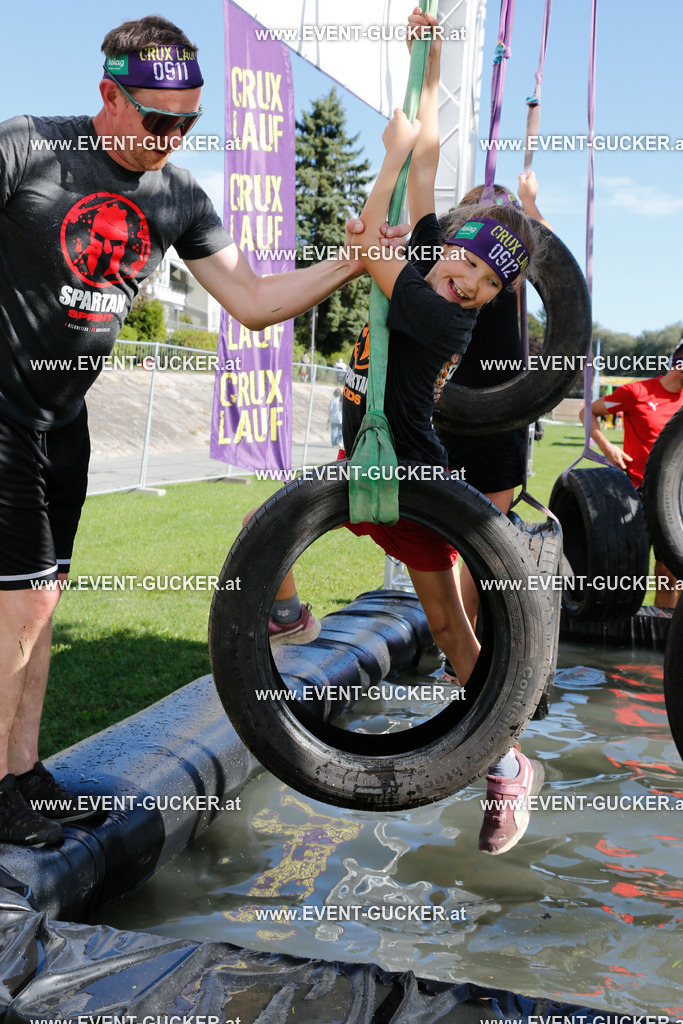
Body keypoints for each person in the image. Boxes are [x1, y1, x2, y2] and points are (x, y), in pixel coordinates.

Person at [0, 14, 410, 847]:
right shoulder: (27, 147)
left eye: (188, 123)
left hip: (62, 424)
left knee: (41, 607)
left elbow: (254, 304)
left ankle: (21, 775)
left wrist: (353, 260)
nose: (172, 138)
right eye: (157, 120)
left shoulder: (179, 195)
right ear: (108, 94)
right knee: (21, 607)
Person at [340, 7, 545, 855]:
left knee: (452, 623)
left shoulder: (437, 304)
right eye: (463, 261)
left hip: (417, 470)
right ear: (448, 243)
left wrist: (389, 154)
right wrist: (421, 55)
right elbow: (424, 158)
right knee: (263, 537)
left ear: (499, 297)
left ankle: (507, 764)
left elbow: (368, 229)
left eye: (486, 284)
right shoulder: (432, 254)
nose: (466, 281)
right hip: (367, 455)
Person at [434, 174, 552, 630]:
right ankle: (452, 636)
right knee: (453, 537)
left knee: (482, 541)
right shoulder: (447, 275)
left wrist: (528, 202)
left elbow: (552, 259)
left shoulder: (509, 279)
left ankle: (458, 645)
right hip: (449, 414)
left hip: (499, 418)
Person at [580, 343, 683, 607]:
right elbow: (587, 411)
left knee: (670, 573)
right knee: (626, 572)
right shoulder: (635, 392)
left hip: (675, 499)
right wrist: (607, 447)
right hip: (635, 493)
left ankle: (665, 637)